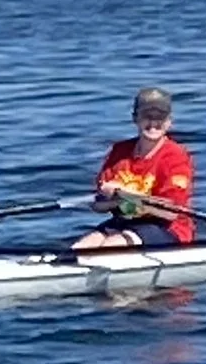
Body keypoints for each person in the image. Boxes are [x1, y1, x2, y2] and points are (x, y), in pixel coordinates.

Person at [75, 88, 197, 249]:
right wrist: (111, 198)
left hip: (167, 228)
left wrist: (123, 195)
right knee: (80, 249)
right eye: (147, 116)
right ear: (135, 118)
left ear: (169, 122)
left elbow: (170, 212)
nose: (153, 123)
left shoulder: (176, 156)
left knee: (109, 248)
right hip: (124, 221)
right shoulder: (119, 151)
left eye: (159, 118)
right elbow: (98, 205)